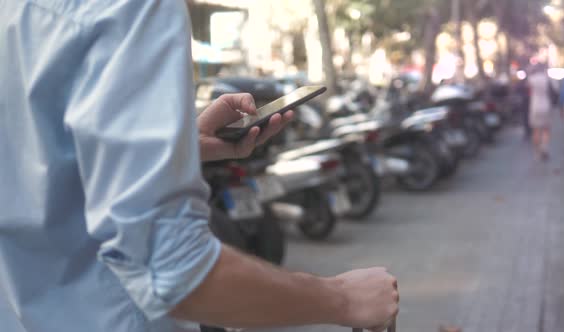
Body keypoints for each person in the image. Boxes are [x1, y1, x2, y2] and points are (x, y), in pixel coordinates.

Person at [0, 1, 399, 332]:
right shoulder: (129, 8)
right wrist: (344, 298)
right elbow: (173, 272)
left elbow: (36, 163)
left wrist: (175, 149)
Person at [527, 63, 554, 160]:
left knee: (536, 130)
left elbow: (527, 92)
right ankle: (545, 148)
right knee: (546, 129)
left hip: (535, 106)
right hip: (546, 105)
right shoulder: (547, 78)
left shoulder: (531, 79)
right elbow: (552, 92)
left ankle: (537, 152)